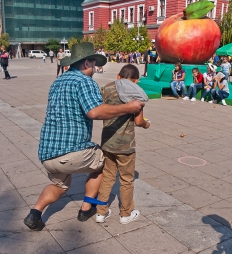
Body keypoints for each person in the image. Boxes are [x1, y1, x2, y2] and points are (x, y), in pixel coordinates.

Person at [23, 43, 144, 231]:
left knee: (60, 184)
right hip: (71, 151)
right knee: (106, 161)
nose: (95, 69)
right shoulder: (84, 81)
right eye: (94, 65)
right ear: (86, 62)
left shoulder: (58, 81)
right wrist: (128, 108)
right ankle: (87, 208)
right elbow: (95, 112)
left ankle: (35, 214)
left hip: (47, 153)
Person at [95, 64, 150, 224]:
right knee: (126, 179)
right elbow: (139, 121)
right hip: (126, 145)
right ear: (136, 80)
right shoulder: (135, 92)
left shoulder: (107, 88)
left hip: (107, 141)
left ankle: (100, 212)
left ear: (118, 76)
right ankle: (126, 214)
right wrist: (146, 124)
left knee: (107, 176)